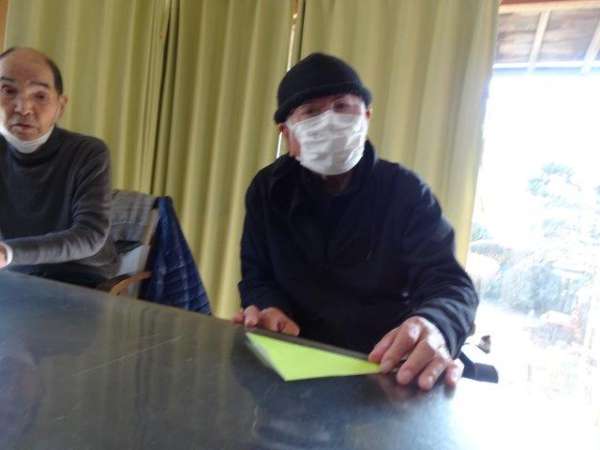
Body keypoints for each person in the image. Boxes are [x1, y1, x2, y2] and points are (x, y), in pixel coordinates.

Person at [235, 53, 479, 390]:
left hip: (384, 368)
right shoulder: (266, 190)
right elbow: (256, 273)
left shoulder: (406, 192)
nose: (329, 121)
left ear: (366, 116)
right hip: (294, 366)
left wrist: (436, 324)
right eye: (311, 112)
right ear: (287, 135)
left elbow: (450, 284)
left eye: (342, 106)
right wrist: (269, 306)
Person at [0, 47, 116, 287]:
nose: (23, 108)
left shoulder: (88, 153)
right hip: (16, 272)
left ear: (60, 107)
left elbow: (90, 235)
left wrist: (8, 253)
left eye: (40, 96)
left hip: (81, 275)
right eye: (8, 91)